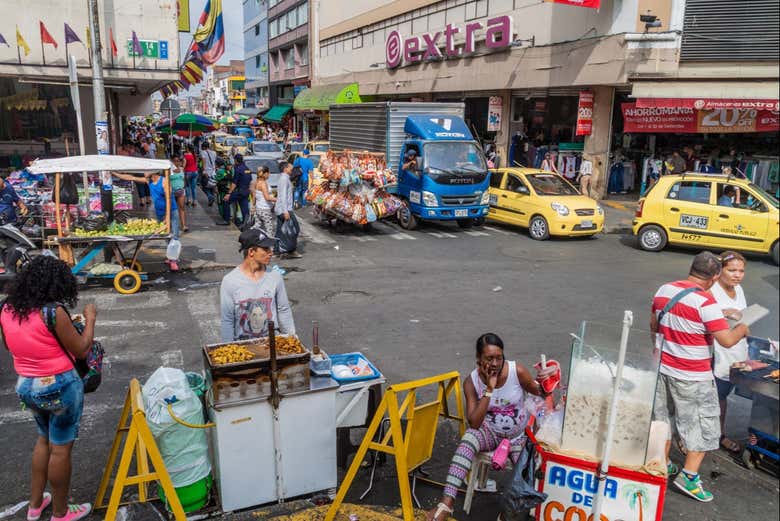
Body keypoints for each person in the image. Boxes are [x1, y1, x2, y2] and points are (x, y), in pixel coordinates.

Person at [0, 256, 97, 521]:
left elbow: (10, 345)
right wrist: (90, 319)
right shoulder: (53, 312)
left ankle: (35, 505)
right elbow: (82, 349)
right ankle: (60, 512)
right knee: (61, 448)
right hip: (59, 385)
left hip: (26, 385)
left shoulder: (6, 307)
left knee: (44, 440)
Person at [650, 251, 750, 502]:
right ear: (715, 277)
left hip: (662, 368)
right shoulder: (705, 302)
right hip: (693, 375)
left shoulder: (664, 290)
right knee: (704, 426)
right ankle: (689, 477)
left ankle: (661, 465)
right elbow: (727, 340)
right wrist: (742, 328)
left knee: (664, 420)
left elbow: (654, 326)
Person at [427, 333, 553, 521]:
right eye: (489, 358)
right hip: (489, 433)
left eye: (499, 358)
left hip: (518, 437)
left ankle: (509, 514)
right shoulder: (471, 382)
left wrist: (548, 377)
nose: (495, 363)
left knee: (527, 474)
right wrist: (489, 390)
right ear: (479, 359)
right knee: (469, 438)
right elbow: (475, 422)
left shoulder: (516, 371)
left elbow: (542, 393)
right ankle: (447, 503)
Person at [219, 228, 295, 342]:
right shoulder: (230, 281)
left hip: (272, 344)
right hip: (243, 346)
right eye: (265, 249)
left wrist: (292, 340)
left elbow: (283, 310)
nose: (271, 252)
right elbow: (227, 320)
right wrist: (228, 347)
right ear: (251, 252)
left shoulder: (275, 276)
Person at [710, 252, 749, 454]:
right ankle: (690, 438)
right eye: (732, 270)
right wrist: (723, 312)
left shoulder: (739, 289)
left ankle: (719, 434)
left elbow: (743, 317)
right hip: (717, 352)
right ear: (720, 270)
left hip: (737, 351)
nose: (737, 275)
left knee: (723, 396)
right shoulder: (711, 290)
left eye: (741, 271)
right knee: (711, 396)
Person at [114, 170, 181, 271]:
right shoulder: (148, 181)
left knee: (174, 235)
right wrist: (114, 173)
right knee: (166, 235)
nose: (144, 172)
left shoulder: (164, 181)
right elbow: (131, 177)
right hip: (160, 212)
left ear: (154, 171)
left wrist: (167, 218)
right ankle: (172, 256)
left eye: (147, 170)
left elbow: (169, 200)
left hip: (171, 211)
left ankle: (174, 261)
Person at [274, 162, 302, 259]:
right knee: (294, 230)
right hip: (285, 209)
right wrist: (285, 211)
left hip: (281, 209)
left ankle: (277, 250)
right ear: (285, 168)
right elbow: (283, 196)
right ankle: (290, 251)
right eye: (290, 167)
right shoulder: (284, 179)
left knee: (280, 231)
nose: (292, 169)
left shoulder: (285, 178)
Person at [224, 154, 252, 227]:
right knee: (244, 207)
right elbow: (250, 180)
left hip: (239, 191)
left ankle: (227, 220)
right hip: (246, 191)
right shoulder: (247, 169)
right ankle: (245, 223)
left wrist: (228, 193)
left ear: (236, 160)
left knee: (226, 201)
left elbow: (234, 183)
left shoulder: (238, 169)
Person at [251, 165, 276, 236]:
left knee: (257, 227)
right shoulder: (263, 183)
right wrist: (279, 199)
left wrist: (253, 206)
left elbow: (254, 196)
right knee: (269, 230)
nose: (269, 174)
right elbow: (267, 197)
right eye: (268, 173)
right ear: (265, 173)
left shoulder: (256, 182)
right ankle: (269, 243)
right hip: (265, 209)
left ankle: (250, 237)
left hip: (258, 208)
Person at [170, 157, 188, 232]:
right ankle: (170, 225)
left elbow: (184, 179)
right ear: (172, 161)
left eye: (178, 161)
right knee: (171, 209)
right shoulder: (169, 170)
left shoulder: (182, 169)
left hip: (181, 190)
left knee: (182, 207)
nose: (176, 162)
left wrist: (184, 187)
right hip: (171, 191)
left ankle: (183, 225)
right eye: (174, 161)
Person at [200, 142, 217, 207]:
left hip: (207, 172)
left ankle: (210, 197)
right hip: (213, 172)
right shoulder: (214, 152)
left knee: (204, 186)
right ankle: (211, 198)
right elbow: (215, 162)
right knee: (212, 185)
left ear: (204, 147)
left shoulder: (203, 152)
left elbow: (203, 162)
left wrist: (204, 171)